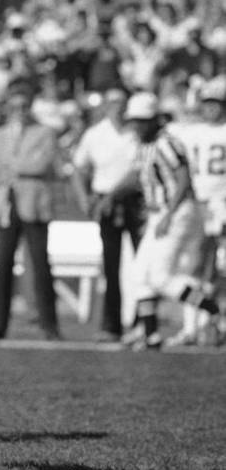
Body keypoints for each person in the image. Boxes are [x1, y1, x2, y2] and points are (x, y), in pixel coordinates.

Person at [121, 92, 221, 350]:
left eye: (142, 121)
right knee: (139, 273)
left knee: (160, 277)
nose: (137, 126)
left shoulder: (167, 143)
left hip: (177, 211)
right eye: (135, 121)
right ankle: (151, 335)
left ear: (154, 120)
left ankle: (213, 309)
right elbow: (141, 180)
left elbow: (184, 180)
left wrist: (169, 214)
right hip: (160, 213)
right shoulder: (145, 146)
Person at [0, 78, 62, 341]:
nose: (20, 110)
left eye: (24, 105)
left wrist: (13, 167)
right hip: (5, 204)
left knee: (41, 265)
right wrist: (20, 167)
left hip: (33, 204)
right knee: (3, 266)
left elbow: (42, 165)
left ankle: (49, 324)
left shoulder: (45, 133)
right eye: (15, 105)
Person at [70, 87, 144, 342]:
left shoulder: (136, 133)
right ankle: (111, 324)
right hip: (106, 204)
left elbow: (137, 172)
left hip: (134, 201)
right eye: (113, 103)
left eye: (122, 103)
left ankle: (141, 323)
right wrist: (84, 198)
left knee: (142, 264)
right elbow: (79, 169)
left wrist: (110, 196)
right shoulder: (94, 134)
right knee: (110, 266)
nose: (118, 108)